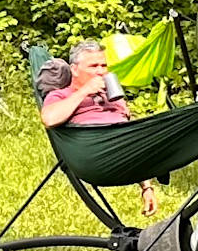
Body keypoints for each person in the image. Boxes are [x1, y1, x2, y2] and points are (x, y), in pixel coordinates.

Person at [38, 39, 159, 219]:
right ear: (74, 69)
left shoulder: (111, 95)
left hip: (126, 147)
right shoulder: (61, 95)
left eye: (104, 65)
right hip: (96, 150)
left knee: (161, 127)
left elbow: (132, 138)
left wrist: (146, 187)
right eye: (93, 66)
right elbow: (49, 118)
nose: (101, 71)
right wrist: (85, 91)